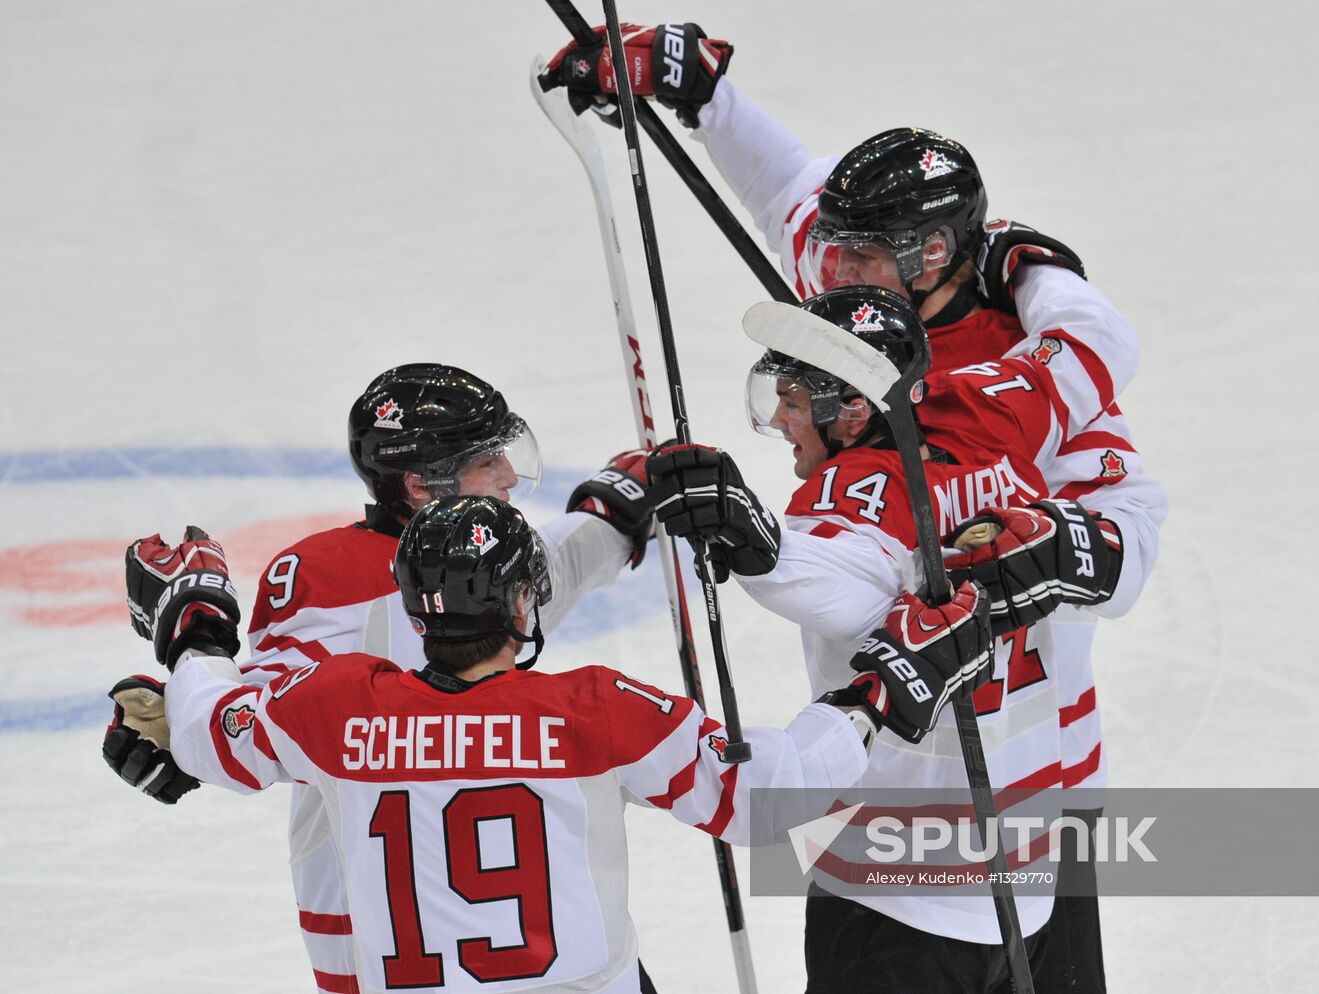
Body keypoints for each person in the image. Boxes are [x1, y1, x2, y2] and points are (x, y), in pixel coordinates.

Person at [544, 34, 1168, 991]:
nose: (829, 269)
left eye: (860, 254)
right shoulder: (859, 318)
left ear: (935, 259)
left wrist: (1066, 553)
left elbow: (1122, 521)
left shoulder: (1033, 387)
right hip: (896, 827)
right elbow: (789, 188)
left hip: (1044, 800)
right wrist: (696, 89)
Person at [115, 492, 997, 994]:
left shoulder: (336, 710)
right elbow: (770, 797)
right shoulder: (593, 710)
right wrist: (881, 690)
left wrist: (196, 626)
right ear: (523, 606)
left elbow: (201, 733)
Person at [103, 362, 657, 994]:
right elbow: (261, 720)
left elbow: (241, 728)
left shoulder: (478, 563)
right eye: (486, 460)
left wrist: (618, 504)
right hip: (404, 936)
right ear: (421, 486)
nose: (508, 475)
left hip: (469, 933)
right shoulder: (341, 583)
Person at [647, 286, 1135, 993]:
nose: (782, 420)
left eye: (793, 399)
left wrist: (757, 543)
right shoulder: (995, 406)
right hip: (1028, 878)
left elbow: (837, 574)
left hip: (894, 899)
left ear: (851, 411)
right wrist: (1031, 264)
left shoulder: (856, 488)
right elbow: (1100, 341)